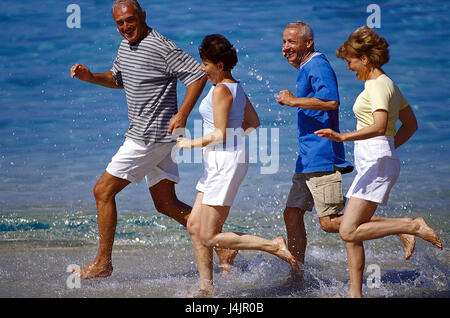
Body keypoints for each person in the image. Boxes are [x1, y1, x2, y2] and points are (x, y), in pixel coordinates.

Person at [69, 0, 236, 279]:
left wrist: (182, 114)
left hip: (149, 136)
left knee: (102, 191)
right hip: (159, 139)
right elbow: (117, 78)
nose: (125, 27)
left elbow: (197, 76)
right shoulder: (126, 46)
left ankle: (103, 263)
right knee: (166, 204)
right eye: (120, 23)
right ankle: (222, 245)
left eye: (130, 20)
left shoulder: (162, 46)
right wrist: (90, 77)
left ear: (142, 16)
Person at [277, 21, 415, 286]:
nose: (285, 48)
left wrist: (294, 100)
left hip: (322, 154)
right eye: (284, 42)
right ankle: (296, 276)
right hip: (306, 156)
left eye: (291, 42)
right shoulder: (306, 67)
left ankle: (401, 227)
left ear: (309, 42)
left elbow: (331, 101)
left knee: (330, 223)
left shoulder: (317, 64)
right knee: (292, 214)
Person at [315, 26, 442, 297]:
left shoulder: (378, 86)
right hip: (376, 160)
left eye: (350, 61)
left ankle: (410, 225)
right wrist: (388, 148)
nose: (348, 68)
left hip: (376, 161)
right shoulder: (387, 84)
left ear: (365, 59)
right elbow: (411, 125)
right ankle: (355, 293)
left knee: (348, 231)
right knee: (353, 232)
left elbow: (381, 124)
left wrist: (342, 136)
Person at [177, 34, 299, 297]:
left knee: (209, 235)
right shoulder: (235, 87)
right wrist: (231, 141)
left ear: (220, 65)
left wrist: (190, 144)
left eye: (206, 63)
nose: (202, 67)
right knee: (195, 226)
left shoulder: (221, 90)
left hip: (225, 163)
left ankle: (273, 245)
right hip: (222, 161)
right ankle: (205, 287)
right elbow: (253, 122)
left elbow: (220, 133)